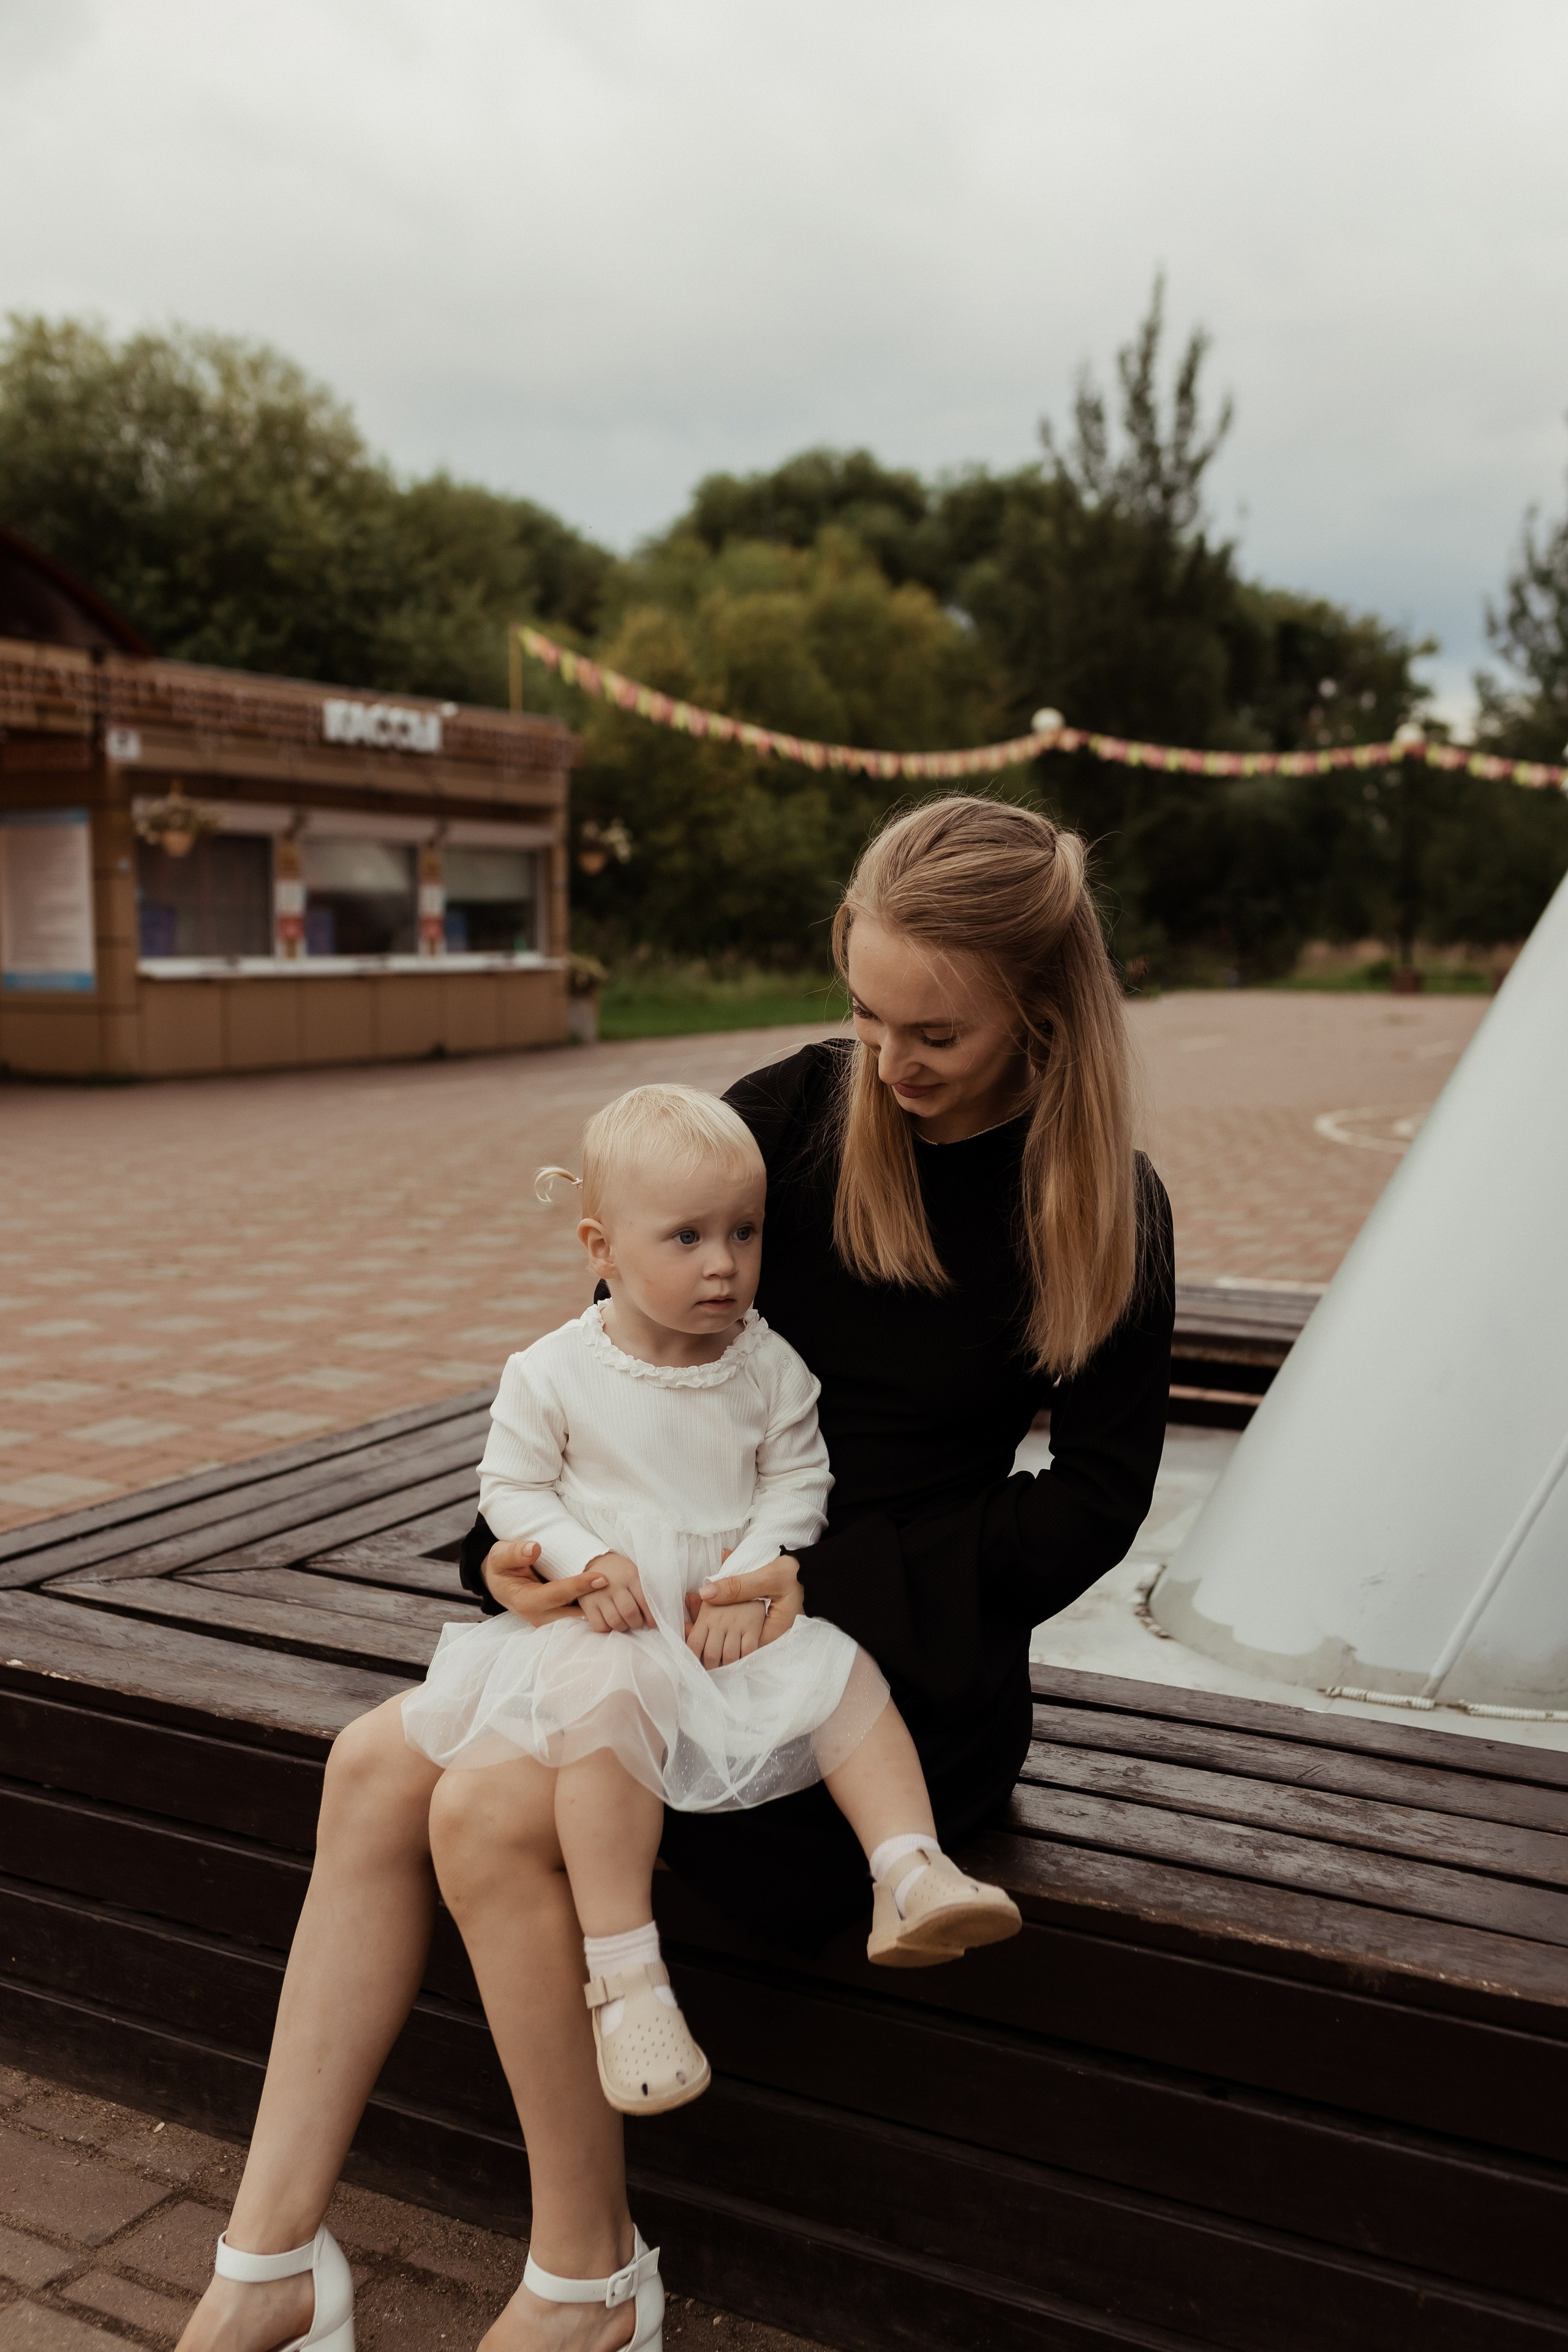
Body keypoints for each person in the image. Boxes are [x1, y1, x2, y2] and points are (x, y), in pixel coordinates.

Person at [176, 794, 1172, 2352]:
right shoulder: (789, 1113)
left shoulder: (1100, 1197)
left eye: (935, 1036)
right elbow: (618, 1359)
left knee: (483, 1800)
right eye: (863, 1012)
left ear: (1042, 1017)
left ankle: (585, 2280)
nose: (886, 1067)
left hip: (885, 1690)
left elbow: (1096, 1504)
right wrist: (521, 1562)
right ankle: (267, 2263)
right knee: (372, 1769)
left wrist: (813, 1580)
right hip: (662, 1628)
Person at [402, 1084, 1021, 2117]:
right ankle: (628, 1972)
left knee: (842, 1674)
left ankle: (911, 1871)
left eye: (744, 1232)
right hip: (620, 1622)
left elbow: (797, 1482)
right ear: (601, 1247)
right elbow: (510, 1489)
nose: (724, 1264)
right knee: (602, 1723)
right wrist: (586, 1558)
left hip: (726, 1616)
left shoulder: (768, 1365)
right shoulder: (553, 1370)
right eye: (686, 1237)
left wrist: (755, 1569)